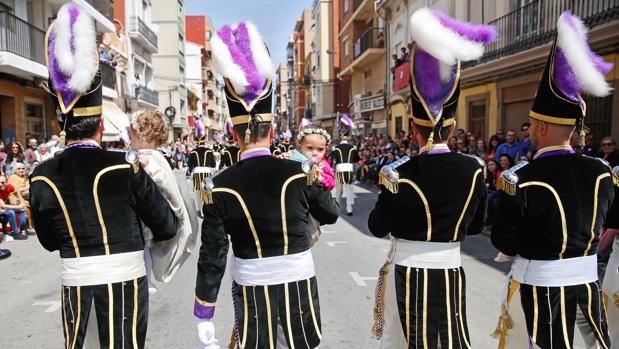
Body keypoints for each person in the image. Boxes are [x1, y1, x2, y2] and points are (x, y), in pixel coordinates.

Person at [30, 5, 178, 348]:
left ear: (60, 126)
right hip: (125, 287)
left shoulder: (41, 177)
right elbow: (167, 225)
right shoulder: (126, 165)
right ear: (101, 124)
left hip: (76, 286)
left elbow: (50, 241)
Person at [194, 22, 339, 349]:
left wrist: (204, 310)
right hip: (298, 285)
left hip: (252, 288)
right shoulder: (300, 170)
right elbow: (330, 213)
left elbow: (213, 255)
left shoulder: (219, 185)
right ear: (272, 132)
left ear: (233, 135)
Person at [368, 8, 493, 348]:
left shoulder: (399, 172)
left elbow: (378, 226)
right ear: (453, 127)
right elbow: (476, 223)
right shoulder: (475, 168)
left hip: (407, 270)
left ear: (412, 128)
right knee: (448, 340)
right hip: (451, 270)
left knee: (405, 341)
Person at [491, 12, 615, 348]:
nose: (528, 130)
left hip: (541, 289)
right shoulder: (604, 172)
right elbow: (610, 226)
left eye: (530, 124)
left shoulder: (521, 179)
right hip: (588, 286)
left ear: (542, 127)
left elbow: (504, 241)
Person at [129, 110, 197, 294]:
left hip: (151, 214)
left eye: (132, 132)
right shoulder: (155, 155)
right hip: (152, 213)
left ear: (142, 134)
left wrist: (147, 167)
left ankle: (147, 278)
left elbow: (163, 182)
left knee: (145, 244)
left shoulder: (148, 156)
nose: (130, 136)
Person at [287, 125, 336, 245]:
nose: (315, 153)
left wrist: (320, 178)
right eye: (310, 148)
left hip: (312, 209)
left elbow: (331, 182)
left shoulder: (323, 165)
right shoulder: (292, 159)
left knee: (312, 234)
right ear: (300, 146)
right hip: (294, 208)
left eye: (320, 149)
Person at [187, 135, 217, 216]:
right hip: (207, 172)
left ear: (198, 143)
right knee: (207, 191)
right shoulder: (209, 151)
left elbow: (190, 164)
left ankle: (200, 211)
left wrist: (189, 172)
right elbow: (213, 164)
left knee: (198, 192)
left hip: (197, 172)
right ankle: (207, 209)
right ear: (204, 143)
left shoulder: (193, 151)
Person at [0, 174, 28, 240]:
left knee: (22, 210)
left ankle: (23, 230)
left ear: (7, 183)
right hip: (2, 208)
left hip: (2, 208)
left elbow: (17, 191)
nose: (0, 184)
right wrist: (18, 206)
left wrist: (22, 203)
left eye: (2, 182)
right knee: (10, 212)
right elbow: (3, 205)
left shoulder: (9, 187)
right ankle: (16, 233)